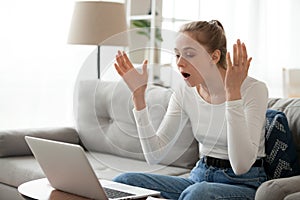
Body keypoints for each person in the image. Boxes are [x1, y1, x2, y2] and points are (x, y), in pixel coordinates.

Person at [113, 20, 268, 200]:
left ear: (215, 57)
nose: (180, 63)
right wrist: (139, 97)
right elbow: (154, 155)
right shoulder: (184, 93)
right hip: (199, 176)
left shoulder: (253, 89)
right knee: (123, 182)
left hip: (243, 183)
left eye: (189, 54)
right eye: (177, 55)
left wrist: (232, 94)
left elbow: (241, 165)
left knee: (198, 193)